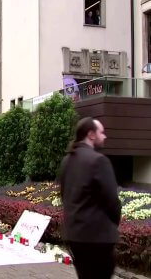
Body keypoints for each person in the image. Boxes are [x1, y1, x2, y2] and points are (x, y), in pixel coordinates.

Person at [59, 117, 121, 279]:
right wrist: (115, 223)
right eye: (102, 132)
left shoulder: (67, 161)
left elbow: (63, 195)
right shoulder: (99, 161)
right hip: (98, 238)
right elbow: (112, 201)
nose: (105, 136)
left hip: (74, 235)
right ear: (91, 135)